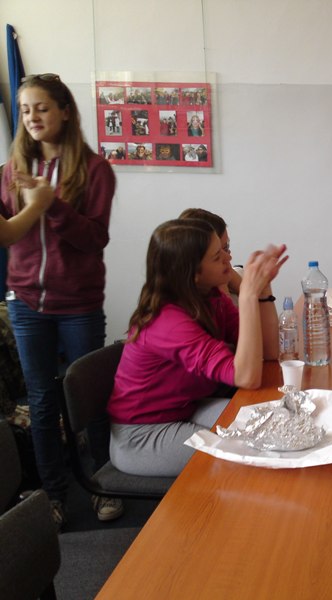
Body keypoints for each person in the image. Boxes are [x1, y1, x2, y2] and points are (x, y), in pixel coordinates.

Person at [0, 73, 120, 528]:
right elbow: (9, 232)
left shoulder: (95, 170)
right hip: (25, 302)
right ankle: (53, 494)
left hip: (79, 305)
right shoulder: (11, 172)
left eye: (42, 107)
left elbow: (94, 238)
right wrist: (34, 202)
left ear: (65, 111)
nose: (32, 117)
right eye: (25, 110)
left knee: (89, 396)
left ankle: (103, 487)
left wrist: (53, 205)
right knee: (42, 401)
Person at [106, 219, 287, 476]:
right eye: (217, 256)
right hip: (142, 434)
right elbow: (247, 377)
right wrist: (247, 295)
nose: (228, 258)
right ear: (193, 273)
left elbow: (269, 352)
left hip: (186, 408)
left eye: (224, 249)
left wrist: (263, 289)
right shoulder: (168, 321)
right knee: (249, 458)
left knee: (275, 424)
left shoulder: (209, 298)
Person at [178, 208, 242, 296]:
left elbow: (253, 292)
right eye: (217, 254)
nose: (228, 257)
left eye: (227, 246)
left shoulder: (224, 270)